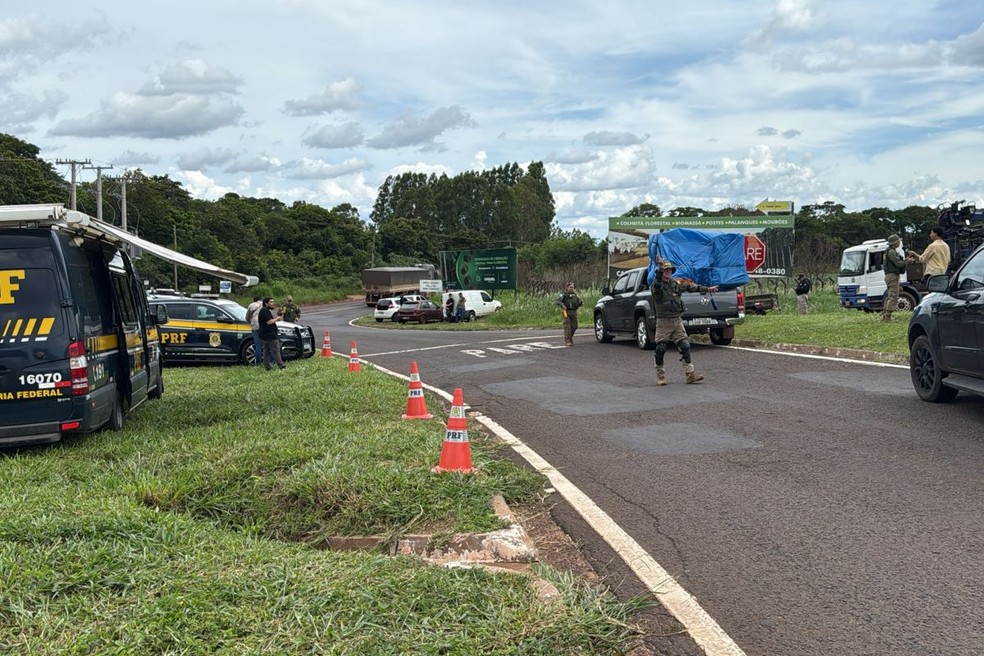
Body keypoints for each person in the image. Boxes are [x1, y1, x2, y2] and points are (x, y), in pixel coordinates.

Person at [651, 260, 718, 385]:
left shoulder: (675, 283)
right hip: (664, 322)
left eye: (669, 270)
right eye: (665, 270)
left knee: (685, 345)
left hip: (677, 320)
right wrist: (660, 269)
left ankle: (690, 374)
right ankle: (660, 376)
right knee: (661, 348)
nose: (667, 272)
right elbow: (657, 284)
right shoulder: (657, 286)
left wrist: (708, 289)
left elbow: (690, 287)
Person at [882, 234, 906, 323]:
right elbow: (898, 264)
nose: (899, 243)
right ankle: (887, 317)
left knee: (890, 296)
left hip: (889, 275)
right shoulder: (891, 252)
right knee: (893, 296)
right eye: (898, 241)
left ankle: (885, 316)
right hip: (892, 275)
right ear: (895, 243)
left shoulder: (888, 251)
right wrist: (906, 261)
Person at [257, 297, 286, 370]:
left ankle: (267, 366)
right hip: (269, 334)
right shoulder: (264, 310)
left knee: (266, 351)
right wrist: (277, 319)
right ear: (266, 303)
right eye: (271, 302)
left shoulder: (265, 310)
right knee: (276, 350)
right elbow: (269, 322)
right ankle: (281, 365)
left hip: (265, 334)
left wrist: (276, 318)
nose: (273, 303)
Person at [556, 282, 583, 346]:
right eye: (570, 287)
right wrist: (562, 305)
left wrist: (580, 303)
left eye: (573, 287)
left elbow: (579, 301)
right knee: (567, 326)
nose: (572, 289)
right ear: (567, 288)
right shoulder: (563, 294)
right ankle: (567, 340)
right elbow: (558, 301)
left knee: (574, 326)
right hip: (566, 312)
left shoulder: (575, 295)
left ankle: (570, 337)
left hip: (573, 312)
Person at [245, 295, 263, 365]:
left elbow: (247, 317)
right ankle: (269, 361)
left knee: (257, 345)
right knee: (266, 345)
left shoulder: (251, 305)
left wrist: (251, 323)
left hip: (255, 327)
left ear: (254, 300)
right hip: (264, 327)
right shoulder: (264, 304)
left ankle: (258, 362)